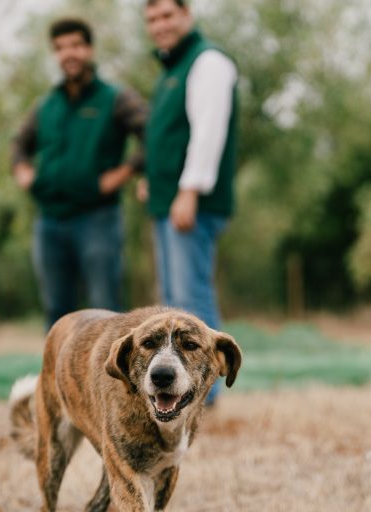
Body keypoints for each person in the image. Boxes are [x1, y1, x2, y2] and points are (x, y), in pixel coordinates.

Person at [11, 18, 148, 330]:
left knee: (106, 309)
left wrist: (125, 172)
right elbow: (19, 144)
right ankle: (58, 380)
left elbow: (152, 135)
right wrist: (23, 171)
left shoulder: (116, 97)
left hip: (97, 219)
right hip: (49, 221)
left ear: (89, 49)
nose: (67, 54)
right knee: (56, 313)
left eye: (74, 45)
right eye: (59, 48)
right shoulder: (46, 105)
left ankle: (111, 380)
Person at [143, 0, 239, 405]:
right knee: (173, 301)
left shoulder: (208, 62)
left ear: (187, 15)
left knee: (190, 301)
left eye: (167, 15)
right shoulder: (171, 70)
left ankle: (204, 397)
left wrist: (189, 190)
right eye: (151, 19)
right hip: (169, 200)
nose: (159, 25)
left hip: (191, 203)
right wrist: (156, 182)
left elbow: (208, 130)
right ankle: (183, 393)